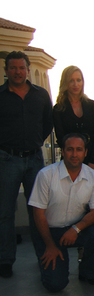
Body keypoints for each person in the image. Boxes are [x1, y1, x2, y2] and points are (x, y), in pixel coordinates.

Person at [28, 133, 94, 292]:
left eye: (79, 150)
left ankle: (88, 271)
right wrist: (49, 245)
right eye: (70, 149)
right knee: (56, 285)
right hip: (47, 232)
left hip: (75, 229)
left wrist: (75, 229)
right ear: (62, 151)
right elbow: (38, 214)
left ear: (85, 152)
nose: (74, 154)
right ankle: (45, 258)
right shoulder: (46, 175)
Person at [0, 51, 53, 278]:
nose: (18, 72)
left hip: (34, 159)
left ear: (28, 70)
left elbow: (47, 123)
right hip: (7, 159)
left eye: (21, 68)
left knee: (38, 210)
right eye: (13, 68)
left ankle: (43, 255)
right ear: (6, 71)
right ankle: (5, 260)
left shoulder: (40, 95)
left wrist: (34, 143)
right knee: (5, 211)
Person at [53, 65, 94, 170]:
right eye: (71, 81)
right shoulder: (59, 109)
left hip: (91, 160)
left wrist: (93, 160)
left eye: (78, 80)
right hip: (69, 160)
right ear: (65, 83)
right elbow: (61, 138)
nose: (76, 84)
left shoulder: (92, 105)